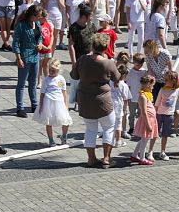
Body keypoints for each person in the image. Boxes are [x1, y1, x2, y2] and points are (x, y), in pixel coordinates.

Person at [70, 33, 121, 168]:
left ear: (92, 45)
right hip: (103, 101)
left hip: (85, 100)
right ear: (105, 47)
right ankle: (106, 158)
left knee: (90, 129)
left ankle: (91, 159)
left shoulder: (82, 59)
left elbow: (73, 75)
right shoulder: (108, 63)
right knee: (109, 128)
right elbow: (117, 78)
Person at [13, 5, 44, 118]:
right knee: (21, 84)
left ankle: (34, 105)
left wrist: (40, 43)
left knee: (33, 83)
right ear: (32, 16)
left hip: (35, 56)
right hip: (25, 57)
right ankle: (20, 108)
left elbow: (39, 36)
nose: (40, 18)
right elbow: (15, 43)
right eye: (38, 16)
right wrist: (19, 58)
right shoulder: (21, 26)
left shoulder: (38, 24)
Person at [33, 59, 72, 146]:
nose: (51, 72)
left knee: (66, 120)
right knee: (49, 121)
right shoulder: (46, 79)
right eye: (50, 70)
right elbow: (42, 93)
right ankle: (51, 140)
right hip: (48, 102)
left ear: (58, 70)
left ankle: (64, 137)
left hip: (59, 102)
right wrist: (41, 106)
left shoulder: (61, 79)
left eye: (53, 71)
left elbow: (64, 92)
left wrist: (66, 104)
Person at [130, 75, 158, 166]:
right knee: (145, 140)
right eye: (152, 85)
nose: (153, 87)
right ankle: (142, 158)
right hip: (147, 120)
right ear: (148, 85)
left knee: (144, 139)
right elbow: (144, 112)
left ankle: (134, 155)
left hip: (151, 119)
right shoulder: (142, 96)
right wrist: (148, 124)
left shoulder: (147, 94)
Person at [110, 64, 132, 148]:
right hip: (119, 106)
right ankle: (118, 141)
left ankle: (110, 141)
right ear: (125, 75)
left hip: (110, 105)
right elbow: (126, 99)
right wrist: (125, 109)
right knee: (118, 124)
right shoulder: (124, 85)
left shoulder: (110, 82)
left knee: (110, 124)